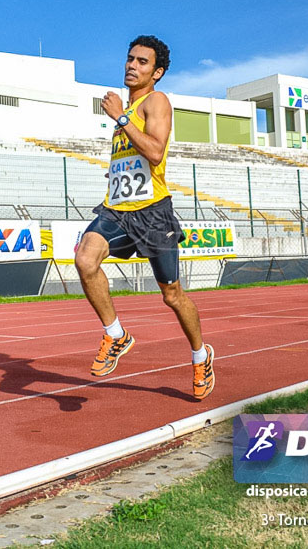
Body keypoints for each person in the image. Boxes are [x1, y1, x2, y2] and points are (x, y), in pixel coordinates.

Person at [74, 35, 215, 400]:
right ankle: (116, 334)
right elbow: (136, 158)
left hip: (152, 213)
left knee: (171, 295)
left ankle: (201, 356)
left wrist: (121, 115)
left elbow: (154, 152)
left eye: (141, 62)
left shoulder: (156, 101)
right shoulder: (125, 115)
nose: (131, 66)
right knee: (85, 259)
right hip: (117, 209)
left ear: (157, 72)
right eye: (130, 58)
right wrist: (117, 172)